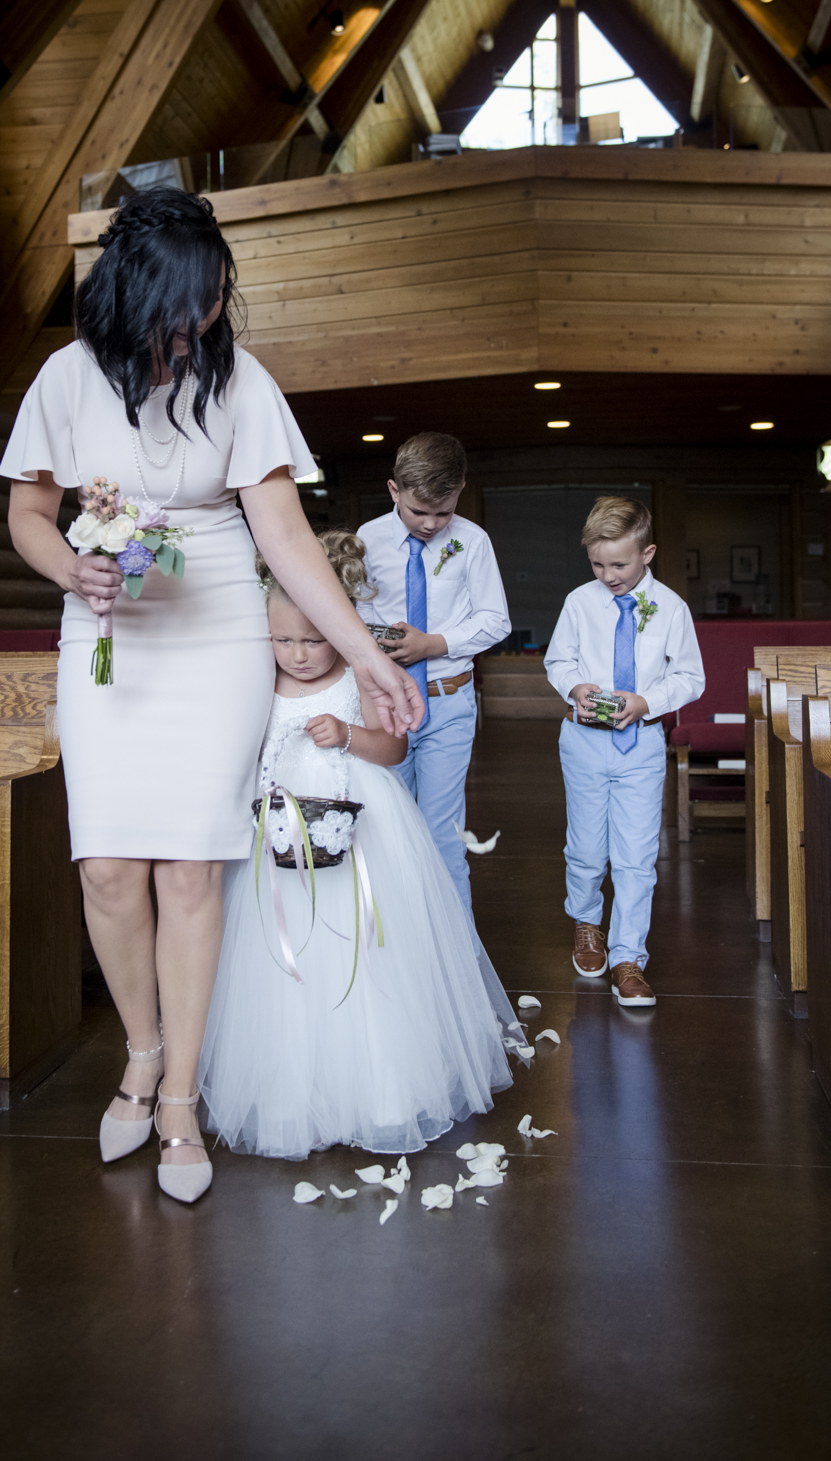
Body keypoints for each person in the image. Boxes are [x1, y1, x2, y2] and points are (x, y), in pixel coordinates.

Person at [0, 188, 421, 1204]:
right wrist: (70, 569)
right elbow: (28, 511)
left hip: (217, 624)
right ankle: (138, 1051)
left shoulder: (238, 379)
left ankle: (181, 1092)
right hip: (108, 634)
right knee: (106, 867)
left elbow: (281, 533)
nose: (205, 324)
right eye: (190, 307)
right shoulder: (64, 379)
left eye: (216, 303)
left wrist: (368, 657)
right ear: (136, 295)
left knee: (190, 871)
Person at [199, 533, 526, 1159]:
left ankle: (380, 1090)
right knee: (282, 961)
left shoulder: (361, 673)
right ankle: (292, 1094)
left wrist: (348, 733)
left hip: (360, 834)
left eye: (313, 639)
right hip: (278, 845)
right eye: (283, 641)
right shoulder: (258, 679)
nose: (297, 655)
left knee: (365, 953)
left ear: (338, 625)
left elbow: (395, 747)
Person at [543, 496, 704, 1008]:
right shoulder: (578, 603)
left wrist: (648, 700)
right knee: (587, 849)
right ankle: (587, 922)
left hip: (642, 745)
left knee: (636, 857)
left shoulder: (672, 608)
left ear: (648, 553)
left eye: (619, 564)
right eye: (597, 563)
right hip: (584, 741)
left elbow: (691, 678)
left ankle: (629, 955)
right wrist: (575, 687)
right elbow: (557, 659)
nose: (607, 575)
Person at [357, 434, 510, 914]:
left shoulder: (473, 541)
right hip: (386, 702)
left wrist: (434, 644)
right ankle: (396, 949)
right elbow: (351, 615)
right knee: (386, 827)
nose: (430, 524)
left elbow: (495, 620)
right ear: (393, 490)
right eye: (418, 512)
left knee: (444, 833)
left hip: (449, 701)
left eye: (442, 513)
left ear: (461, 489)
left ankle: (456, 960)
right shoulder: (367, 539)